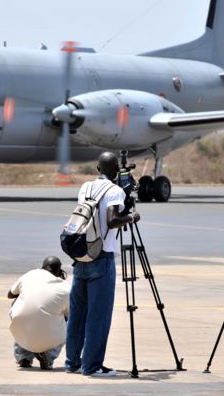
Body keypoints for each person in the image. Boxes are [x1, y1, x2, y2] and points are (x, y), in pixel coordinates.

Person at [64, 151, 140, 377]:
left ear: (97, 168)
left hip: (82, 255)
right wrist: (132, 216)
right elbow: (112, 220)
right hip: (102, 257)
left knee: (78, 315)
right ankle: (92, 366)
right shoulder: (116, 190)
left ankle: (73, 363)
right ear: (116, 170)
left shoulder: (85, 187)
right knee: (98, 316)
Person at [8, 256, 70, 370]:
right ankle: (48, 355)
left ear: (43, 267)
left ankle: (23, 357)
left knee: (17, 306)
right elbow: (68, 315)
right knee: (68, 321)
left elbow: (10, 294)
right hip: (47, 327)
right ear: (59, 270)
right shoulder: (65, 287)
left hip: (23, 321)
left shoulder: (30, 275)